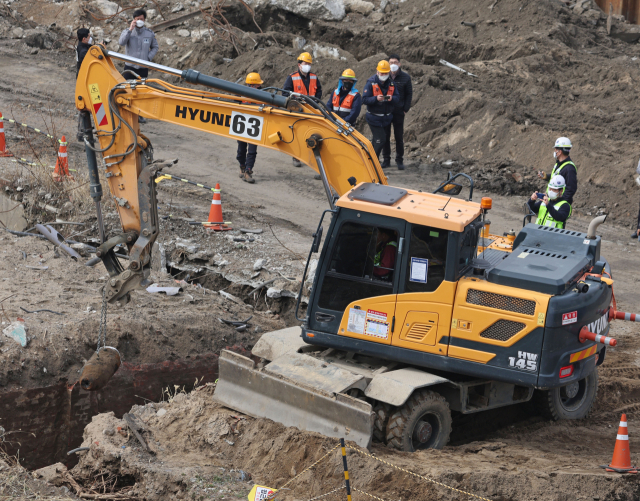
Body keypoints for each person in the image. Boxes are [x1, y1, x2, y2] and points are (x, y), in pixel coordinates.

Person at [283, 52, 322, 167]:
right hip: (298, 110)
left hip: (310, 109)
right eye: (306, 63)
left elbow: (319, 90)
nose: (308, 66)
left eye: (309, 64)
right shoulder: (292, 77)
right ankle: (296, 156)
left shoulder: (314, 77)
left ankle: (309, 157)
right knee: (297, 133)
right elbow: (285, 93)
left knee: (309, 133)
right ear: (299, 64)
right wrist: (294, 103)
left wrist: (316, 101)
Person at [118, 10, 159, 121]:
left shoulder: (149, 34)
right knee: (127, 90)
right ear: (134, 20)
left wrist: (148, 58)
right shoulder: (128, 31)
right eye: (137, 19)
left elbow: (155, 47)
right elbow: (121, 42)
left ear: (144, 20)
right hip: (129, 68)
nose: (139, 21)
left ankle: (140, 114)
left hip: (142, 68)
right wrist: (130, 29)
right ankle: (126, 113)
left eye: (141, 19)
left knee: (141, 92)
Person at [362, 60, 399, 166]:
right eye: (381, 73)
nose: (383, 75)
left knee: (377, 140)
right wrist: (375, 99)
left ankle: (371, 160)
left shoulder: (392, 83)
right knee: (381, 139)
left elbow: (397, 98)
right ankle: (373, 163)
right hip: (374, 117)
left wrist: (391, 98)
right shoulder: (370, 83)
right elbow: (364, 99)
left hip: (386, 118)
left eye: (386, 73)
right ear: (377, 72)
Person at [382, 54, 412, 170]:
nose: (393, 64)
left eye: (395, 62)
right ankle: (386, 159)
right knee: (386, 136)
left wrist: (406, 108)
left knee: (399, 137)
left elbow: (409, 94)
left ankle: (399, 160)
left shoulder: (405, 77)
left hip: (399, 111)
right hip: (386, 111)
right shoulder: (384, 76)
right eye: (391, 62)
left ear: (399, 64)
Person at [236, 72, 263, 184]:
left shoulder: (262, 95)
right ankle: (242, 166)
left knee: (252, 151)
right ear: (252, 85)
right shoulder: (240, 95)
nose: (259, 87)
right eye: (257, 85)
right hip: (242, 124)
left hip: (254, 126)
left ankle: (248, 170)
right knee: (241, 149)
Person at [537, 137, 577, 204]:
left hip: (559, 203)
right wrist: (547, 176)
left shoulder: (569, 168)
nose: (554, 151)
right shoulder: (559, 164)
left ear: (560, 152)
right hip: (552, 200)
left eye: (555, 149)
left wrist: (561, 203)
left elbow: (571, 189)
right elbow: (557, 177)